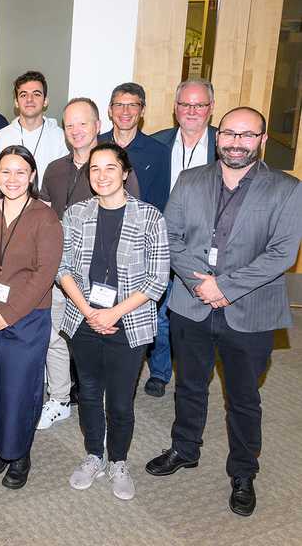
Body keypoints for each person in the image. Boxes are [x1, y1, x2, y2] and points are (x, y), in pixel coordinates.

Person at [145, 107, 302, 516]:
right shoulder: (189, 179)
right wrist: (200, 284)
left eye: (247, 135)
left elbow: (283, 253)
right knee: (189, 385)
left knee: (244, 397)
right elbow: (169, 236)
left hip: (250, 310)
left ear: (262, 141)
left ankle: (244, 472)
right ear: (218, 138)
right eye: (230, 133)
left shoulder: (287, 188)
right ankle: (184, 448)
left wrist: (224, 287)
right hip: (190, 304)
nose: (236, 142)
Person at [58, 141, 169, 501]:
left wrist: (113, 312)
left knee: (120, 401)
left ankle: (118, 461)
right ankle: (94, 455)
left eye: (110, 168)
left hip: (129, 322)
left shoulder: (150, 217)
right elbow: (62, 268)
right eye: (94, 169)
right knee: (89, 394)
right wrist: (90, 312)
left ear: (124, 173)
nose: (102, 175)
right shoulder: (75, 214)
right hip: (84, 319)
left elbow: (157, 279)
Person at [36, 98, 141, 431]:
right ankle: (60, 398)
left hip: (102, 279)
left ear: (98, 125)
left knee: (103, 337)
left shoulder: (114, 168)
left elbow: (131, 223)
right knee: (54, 335)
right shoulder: (53, 168)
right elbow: (41, 214)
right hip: (58, 270)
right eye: (70, 125)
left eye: (83, 123)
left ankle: (109, 401)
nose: (76, 131)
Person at [0, 145, 63, 489]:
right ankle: (1, 446)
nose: (12, 179)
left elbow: (44, 275)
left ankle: (19, 452)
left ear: (33, 176)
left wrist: (8, 314)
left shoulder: (45, 217)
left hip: (26, 317)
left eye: (20, 172)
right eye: (5, 172)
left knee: (19, 388)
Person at [143, 79, 219, 398]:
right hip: (162, 244)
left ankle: (193, 373)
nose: (191, 111)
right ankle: (160, 371)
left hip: (206, 250)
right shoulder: (157, 143)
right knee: (158, 313)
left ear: (211, 109)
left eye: (199, 105)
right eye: (185, 104)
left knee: (198, 317)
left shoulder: (224, 144)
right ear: (175, 108)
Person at [98, 82, 169, 213]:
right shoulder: (96, 145)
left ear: (143, 110)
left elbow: (158, 205)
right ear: (110, 110)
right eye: (119, 105)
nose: (125, 111)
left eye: (132, 105)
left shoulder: (159, 152)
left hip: (139, 228)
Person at [0, 71, 68, 186]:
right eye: (23, 95)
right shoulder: (0, 138)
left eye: (36, 94)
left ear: (45, 101)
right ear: (16, 102)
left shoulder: (61, 138)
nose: (29, 99)